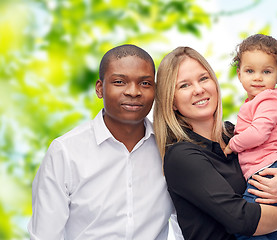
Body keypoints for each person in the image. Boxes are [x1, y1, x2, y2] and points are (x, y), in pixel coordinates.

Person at [153, 46, 277, 240]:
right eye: (184, 85)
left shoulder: (234, 134)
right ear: (171, 101)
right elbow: (239, 218)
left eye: (203, 79)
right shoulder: (182, 155)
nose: (198, 90)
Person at [28, 44, 183, 240]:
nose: (133, 91)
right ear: (100, 88)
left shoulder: (171, 149)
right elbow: (45, 235)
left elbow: (186, 224)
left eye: (145, 83)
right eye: (120, 82)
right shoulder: (65, 152)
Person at [223, 34, 277, 240]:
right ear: (239, 74)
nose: (257, 77)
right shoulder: (254, 102)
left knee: (244, 226)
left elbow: (259, 133)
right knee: (266, 234)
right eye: (250, 71)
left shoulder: (268, 100)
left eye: (266, 71)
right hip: (271, 170)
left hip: (271, 172)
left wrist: (233, 144)